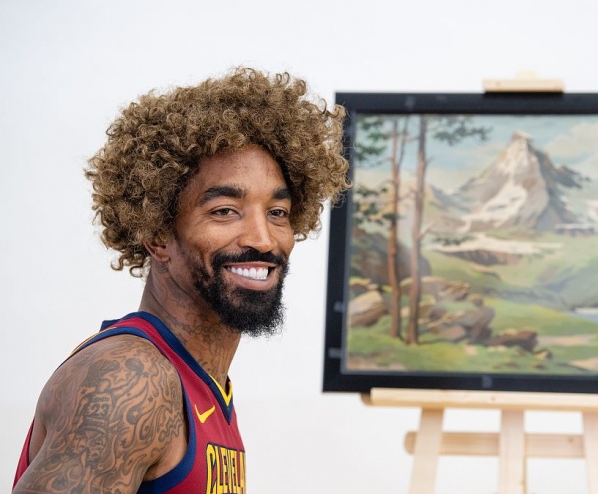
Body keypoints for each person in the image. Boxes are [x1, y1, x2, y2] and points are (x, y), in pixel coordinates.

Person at [13, 68, 350, 493]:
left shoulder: (202, 386)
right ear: (157, 234)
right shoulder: (131, 381)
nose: (263, 239)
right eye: (225, 211)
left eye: (277, 213)